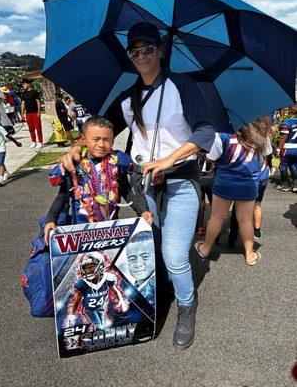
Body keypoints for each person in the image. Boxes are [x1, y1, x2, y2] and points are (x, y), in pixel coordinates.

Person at [60, 22, 215, 350]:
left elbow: (204, 133)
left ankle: (187, 306)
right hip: (144, 185)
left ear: (160, 50)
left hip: (182, 181)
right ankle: (168, 292)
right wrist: (76, 147)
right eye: (135, 51)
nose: (141, 55)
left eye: (148, 49)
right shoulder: (127, 97)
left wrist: (168, 159)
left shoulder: (181, 86)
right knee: (153, 249)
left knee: (174, 254)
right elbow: (100, 129)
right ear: (129, 55)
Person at [44, 116, 152, 244]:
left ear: (112, 141)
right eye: (95, 139)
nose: (101, 144)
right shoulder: (74, 164)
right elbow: (62, 196)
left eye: (107, 140)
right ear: (83, 139)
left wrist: (143, 210)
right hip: (80, 230)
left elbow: (125, 191)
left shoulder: (117, 162)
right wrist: (51, 220)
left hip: (110, 229)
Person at [195, 118, 269, 266]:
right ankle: (249, 255)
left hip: (224, 182)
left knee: (217, 217)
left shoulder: (222, 133)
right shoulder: (261, 134)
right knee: (246, 220)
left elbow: (211, 158)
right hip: (248, 183)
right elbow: (265, 156)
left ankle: (205, 248)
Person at [67, 251, 128, 329]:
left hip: (101, 308)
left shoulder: (108, 278)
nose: (87, 271)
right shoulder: (82, 283)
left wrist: (121, 302)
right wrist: (71, 315)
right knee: (99, 326)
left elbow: (115, 290)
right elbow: (77, 301)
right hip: (90, 309)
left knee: (102, 324)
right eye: (86, 268)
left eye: (91, 267)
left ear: (100, 266)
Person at [126, 231, 155, 306]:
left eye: (145, 257)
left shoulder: (152, 290)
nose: (138, 264)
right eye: (132, 259)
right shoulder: (133, 289)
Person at [0, 99, 22, 185]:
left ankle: (0, 179)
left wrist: (16, 142)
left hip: (1, 148)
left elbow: (8, 136)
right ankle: (6, 172)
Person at [277, 104, 297, 193]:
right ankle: (295, 184)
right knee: (294, 165)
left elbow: (284, 137)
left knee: (283, 165)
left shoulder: (287, 122)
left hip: (287, 148)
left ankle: (285, 184)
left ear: (291, 111)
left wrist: (278, 148)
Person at [21, 78, 43, 148]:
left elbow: (38, 102)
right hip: (28, 113)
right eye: (22, 84)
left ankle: (40, 142)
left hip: (35, 112)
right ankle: (33, 141)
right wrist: (22, 114)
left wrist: (39, 112)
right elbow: (23, 103)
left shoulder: (34, 92)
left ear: (28, 84)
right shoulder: (23, 93)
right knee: (31, 129)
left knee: (38, 128)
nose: (23, 86)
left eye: (24, 84)